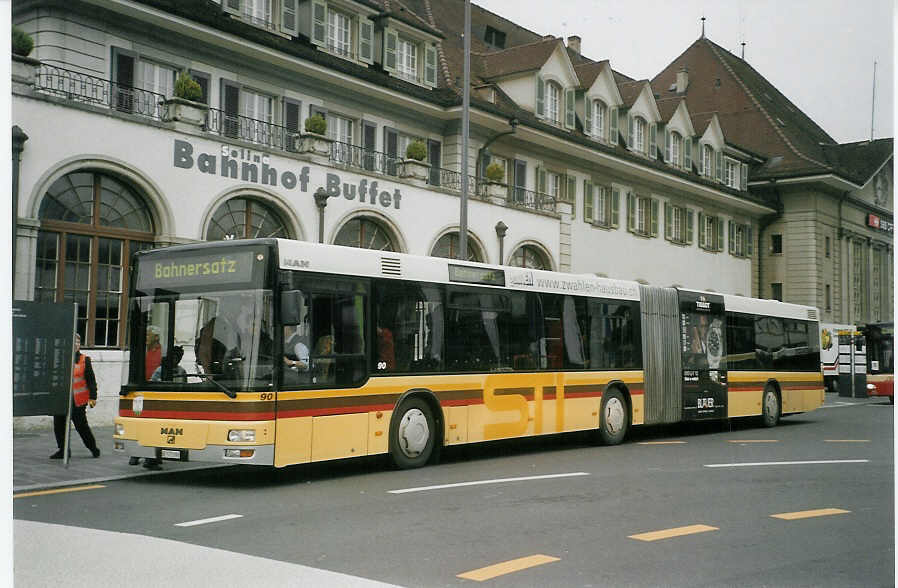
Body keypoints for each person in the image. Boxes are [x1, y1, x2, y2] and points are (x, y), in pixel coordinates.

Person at [51, 333, 100, 459]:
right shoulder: (60, 358)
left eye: (78, 342)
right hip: (62, 399)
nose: (76, 344)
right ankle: (63, 450)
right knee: (59, 426)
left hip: (78, 401)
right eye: (74, 342)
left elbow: (91, 381)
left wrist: (93, 397)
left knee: (81, 426)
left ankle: (93, 448)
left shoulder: (85, 360)